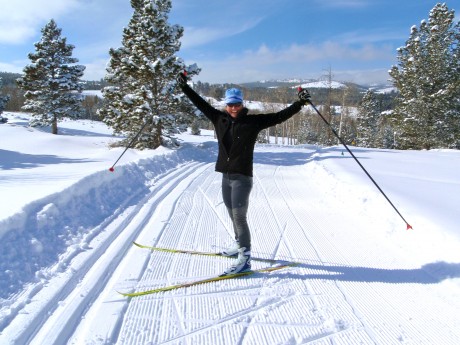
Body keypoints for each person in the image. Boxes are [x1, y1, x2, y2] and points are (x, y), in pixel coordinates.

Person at [176, 72, 311, 275]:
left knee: (239, 217)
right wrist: (185, 88)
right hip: (226, 176)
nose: (233, 108)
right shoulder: (218, 118)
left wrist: (299, 104)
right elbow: (200, 103)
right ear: (226, 105)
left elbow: (279, 117)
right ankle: (238, 244)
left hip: (242, 178)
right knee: (231, 214)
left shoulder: (253, 122)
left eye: (237, 104)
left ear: (241, 104)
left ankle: (245, 259)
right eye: (230, 105)